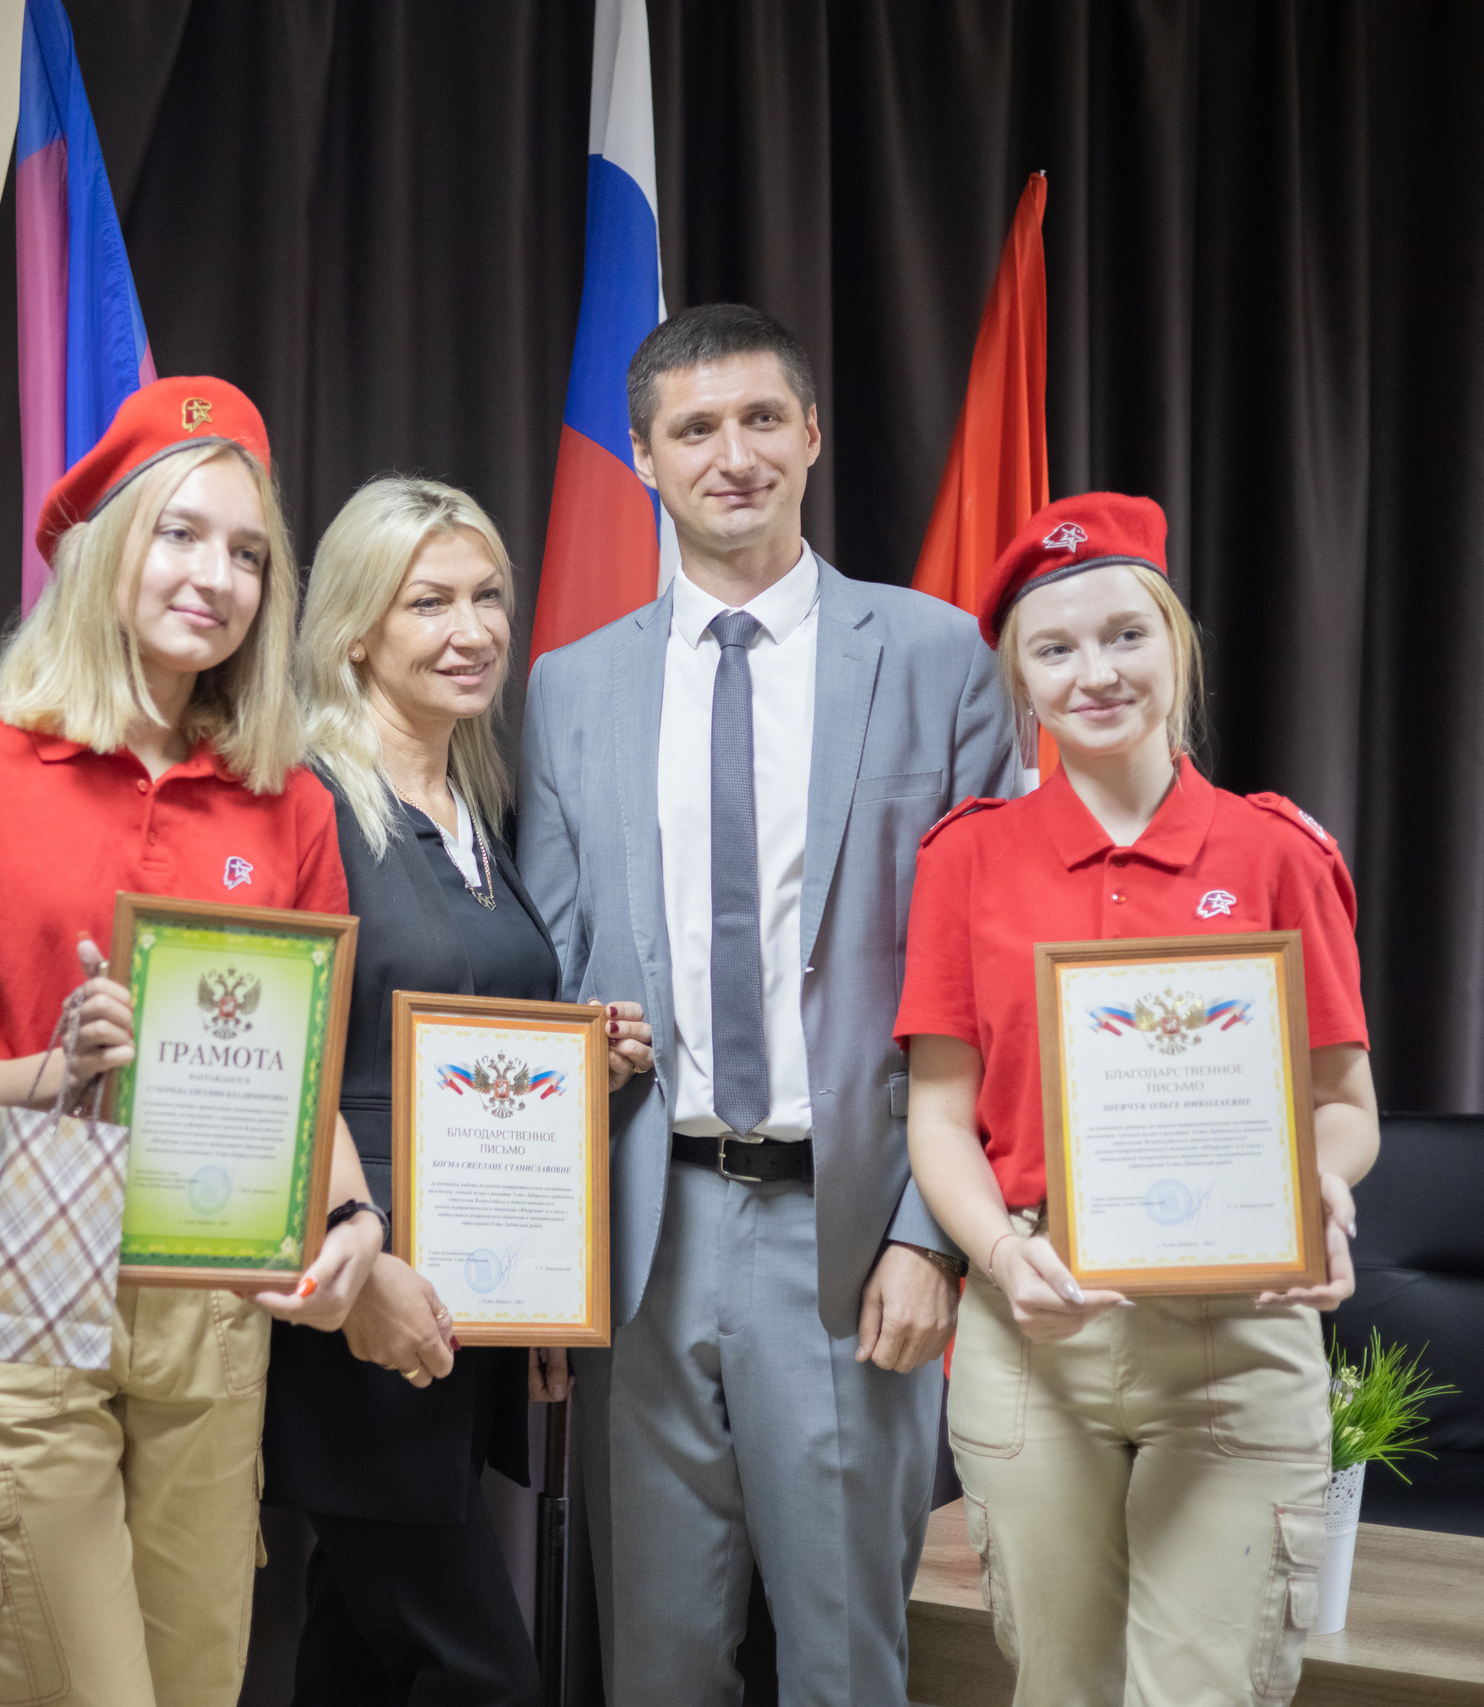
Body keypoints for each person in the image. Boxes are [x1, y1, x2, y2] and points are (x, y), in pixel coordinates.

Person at [516, 303, 1014, 1705]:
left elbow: (987, 980)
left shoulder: (934, 656)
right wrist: (537, 1259)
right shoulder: (569, 688)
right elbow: (552, 979)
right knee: (655, 1667)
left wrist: (933, 1238)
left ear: (810, 436)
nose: (729, 455)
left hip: (848, 1239)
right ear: (644, 457)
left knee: (845, 1664)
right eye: (693, 429)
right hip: (643, 1241)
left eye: (757, 420)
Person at [0, 377, 382, 1707]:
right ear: (101, 546)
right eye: (180, 533)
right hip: (16, 1231)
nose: (216, 576)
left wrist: (355, 1219)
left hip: (210, 1263)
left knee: (197, 1681)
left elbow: (303, 1087)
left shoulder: (288, 802)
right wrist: (57, 1071)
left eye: (249, 553)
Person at [896, 491, 1379, 1706]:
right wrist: (999, 1256)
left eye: (1125, 635)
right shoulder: (965, 859)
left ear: (1176, 642)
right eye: (1054, 649)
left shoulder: (1275, 853)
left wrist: (1322, 1185)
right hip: (1035, 1324)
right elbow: (939, 1118)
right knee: (1058, 1688)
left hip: (1237, 1330)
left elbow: (1345, 1104)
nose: (1096, 673)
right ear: (1020, 678)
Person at [266, 476, 654, 1704]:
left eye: (487, 596)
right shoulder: (304, 804)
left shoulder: (478, 807)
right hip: (363, 1296)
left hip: (473, 1294)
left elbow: (468, 1032)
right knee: (477, 1671)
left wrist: (578, 1057)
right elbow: (285, 1068)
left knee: (356, 1655)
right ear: (354, 630)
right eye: (428, 602)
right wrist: (356, 1262)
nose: (472, 629)